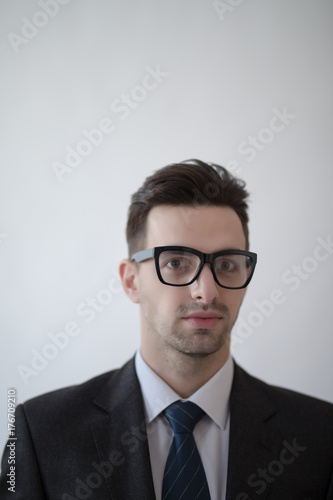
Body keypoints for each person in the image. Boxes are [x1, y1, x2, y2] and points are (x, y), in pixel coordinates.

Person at [0, 159, 332, 500]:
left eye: (228, 264)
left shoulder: (321, 435)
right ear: (131, 281)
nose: (206, 291)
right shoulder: (40, 432)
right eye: (175, 262)